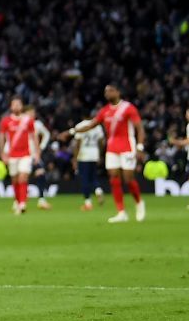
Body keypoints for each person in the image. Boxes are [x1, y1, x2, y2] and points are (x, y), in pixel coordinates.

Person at [60, 84, 145, 224]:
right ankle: (121, 212)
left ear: (118, 92)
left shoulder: (128, 108)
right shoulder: (104, 111)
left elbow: (139, 128)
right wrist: (70, 132)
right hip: (112, 148)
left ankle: (139, 203)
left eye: (111, 90)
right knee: (113, 177)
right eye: (106, 91)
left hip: (128, 146)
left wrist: (140, 147)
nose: (108, 93)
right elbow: (90, 125)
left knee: (128, 178)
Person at [0, 97, 40, 215]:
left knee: (23, 177)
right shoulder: (5, 121)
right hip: (11, 155)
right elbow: (2, 138)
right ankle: (17, 201)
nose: (16, 106)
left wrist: (37, 153)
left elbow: (34, 136)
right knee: (15, 179)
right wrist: (2, 153)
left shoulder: (28, 120)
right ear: (11, 107)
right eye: (14, 104)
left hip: (25, 154)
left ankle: (22, 203)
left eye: (18, 104)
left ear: (21, 106)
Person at [74, 122, 105, 211]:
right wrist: (99, 154)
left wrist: (75, 158)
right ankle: (98, 190)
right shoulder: (97, 126)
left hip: (84, 155)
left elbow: (78, 143)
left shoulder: (80, 125)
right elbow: (101, 141)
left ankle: (88, 203)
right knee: (93, 177)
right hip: (94, 154)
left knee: (85, 179)